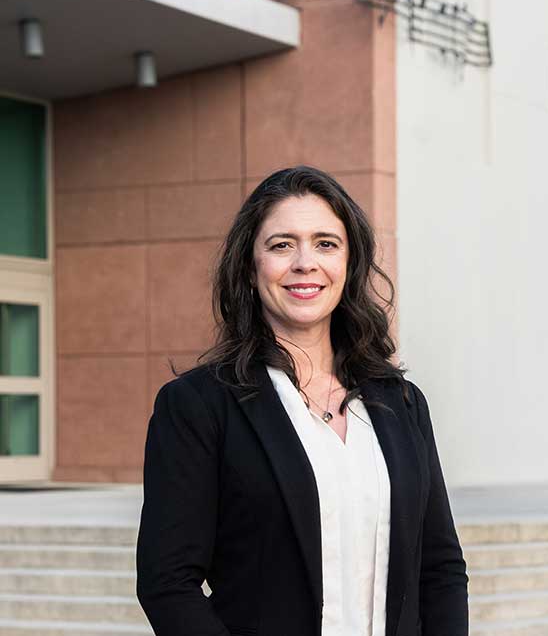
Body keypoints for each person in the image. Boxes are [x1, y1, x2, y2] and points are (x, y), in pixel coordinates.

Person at [136, 165, 468, 636]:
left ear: (349, 265)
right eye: (281, 244)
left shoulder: (403, 403)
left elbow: (441, 568)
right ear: (251, 269)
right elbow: (166, 583)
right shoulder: (197, 406)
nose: (304, 262)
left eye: (325, 243)